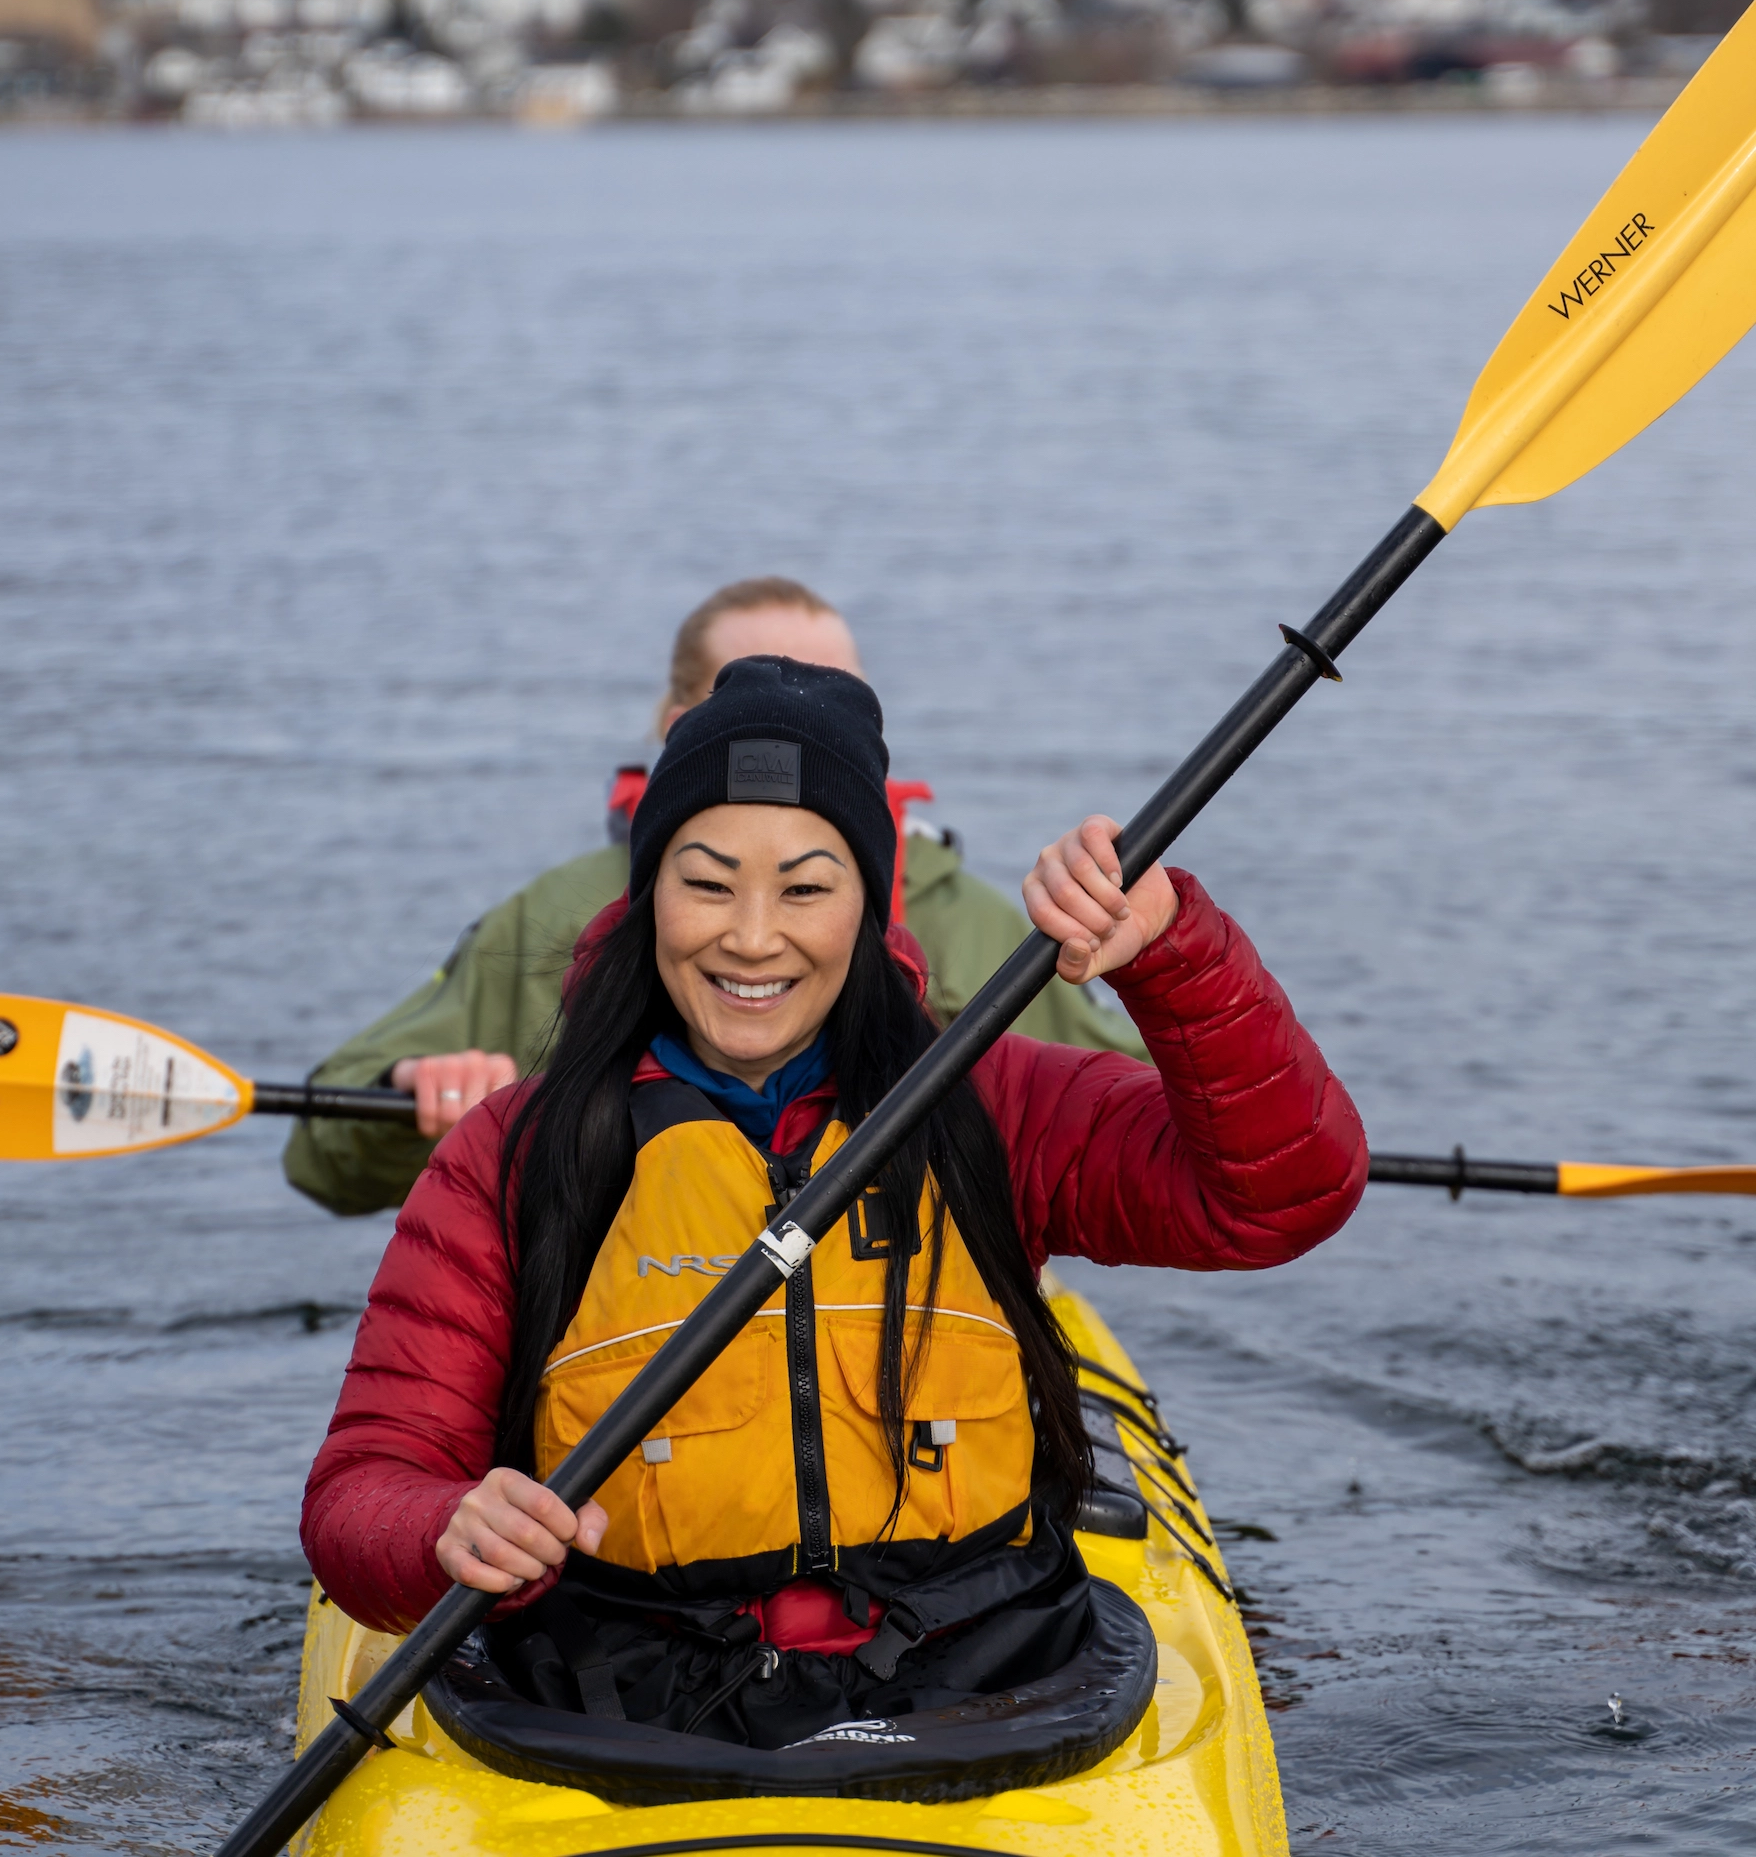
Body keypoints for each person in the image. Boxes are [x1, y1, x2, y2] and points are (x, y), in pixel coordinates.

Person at [301, 658, 1366, 1745]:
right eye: (705, 883)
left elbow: (1285, 1192)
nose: (752, 936)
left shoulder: (986, 1100)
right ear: (645, 894)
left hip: (984, 1675)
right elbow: (359, 1491)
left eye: (805, 887)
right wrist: (444, 1527)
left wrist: (1171, 952)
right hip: (620, 1693)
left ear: (867, 904)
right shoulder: (516, 1153)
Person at [283, 576, 1147, 1217]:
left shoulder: (972, 924)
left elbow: (1157, 1123)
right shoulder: (555, 919)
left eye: (832, 697)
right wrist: (414, 1098)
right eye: (747, 687)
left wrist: (1163, 961)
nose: (792, 714)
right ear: (676, 723)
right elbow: (322, 1162)